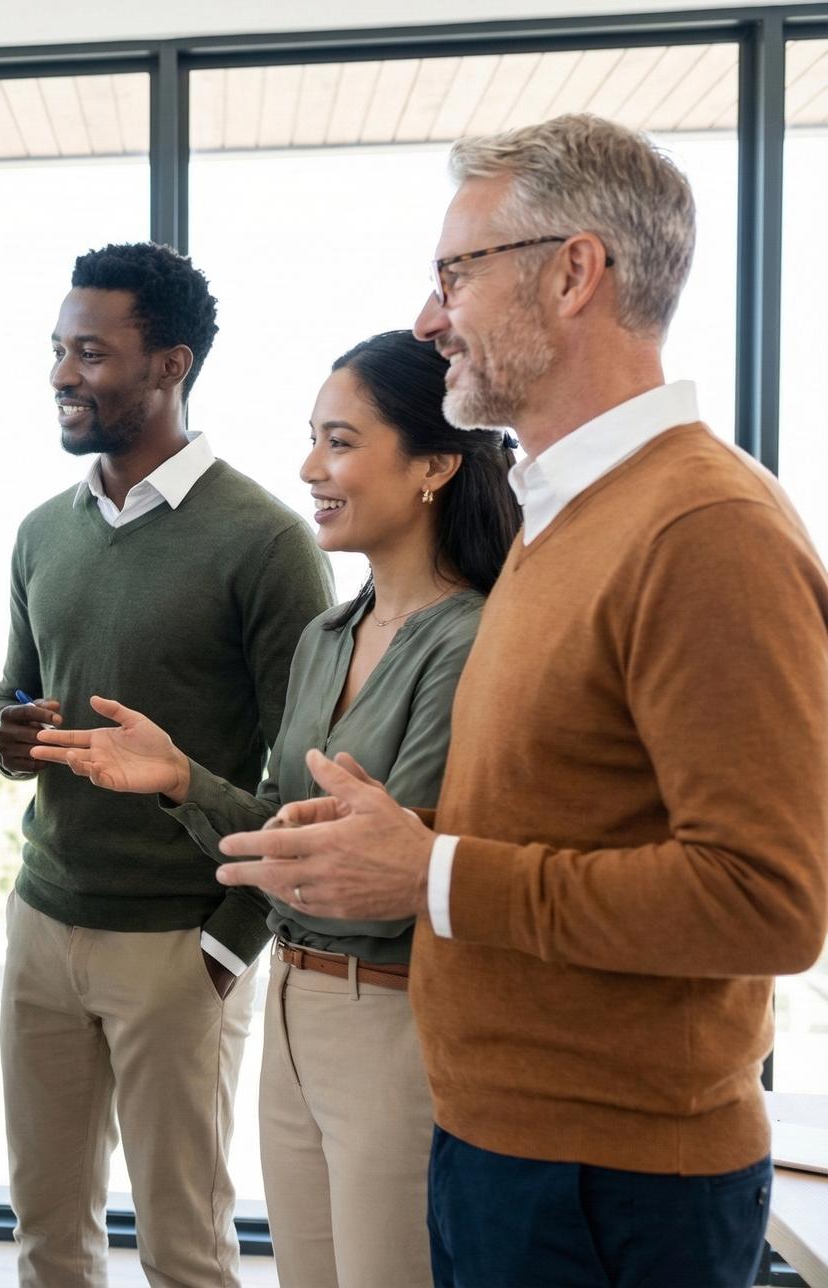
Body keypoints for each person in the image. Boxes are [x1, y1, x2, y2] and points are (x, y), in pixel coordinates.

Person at [217, 114, 828, 1288]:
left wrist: (428, 873)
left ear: (572, 271)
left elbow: (768, 901)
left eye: (455, 272)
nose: (427, 315)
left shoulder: (706, 528)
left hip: (610, 1183)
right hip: (507, 1146)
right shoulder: (565, 522)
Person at [33, 329, 520, 1288]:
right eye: (311, 438)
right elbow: (296, 833)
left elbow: (380, 873)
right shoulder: (329, 636)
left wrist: (240, 904)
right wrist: (179, 778)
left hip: (392, 1016)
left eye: (340, 442)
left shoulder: (470, 642)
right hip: (296, 1001)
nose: (310, 467)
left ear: (432, 465)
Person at [0, 242, 334, 1287]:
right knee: (47, 1235)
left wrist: (226, 948)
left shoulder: (268, 542)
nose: (61, 373)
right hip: (43, 927)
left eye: (90, 352)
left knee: (184, 1250)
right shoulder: (41, 531)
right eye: (58, 349)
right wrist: (7, 736)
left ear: (170, 364)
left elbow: (307, 788)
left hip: (178, 948)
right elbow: (9, 705)